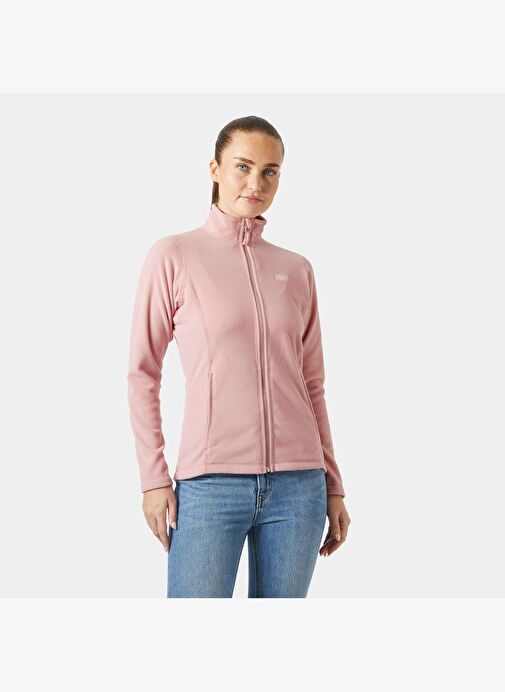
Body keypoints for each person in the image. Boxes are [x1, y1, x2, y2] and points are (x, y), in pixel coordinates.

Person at [127, 115, 351, 597]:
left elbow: (312, 384)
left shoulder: (296, 269)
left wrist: (333, 484)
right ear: (215, 169)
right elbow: (143, 373)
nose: (256, 183)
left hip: (299, 488)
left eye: (270, 171)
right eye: (243, 167)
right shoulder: (174, 255)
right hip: (210, 486)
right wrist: (153, 478)